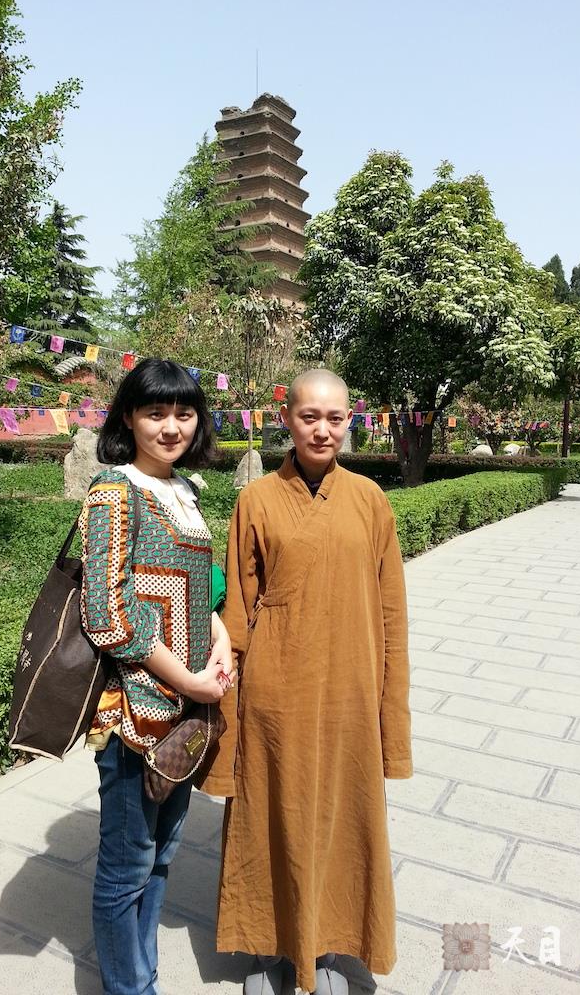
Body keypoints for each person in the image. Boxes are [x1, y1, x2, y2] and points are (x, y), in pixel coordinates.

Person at [199, 369, 412, 995]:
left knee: (344, 817)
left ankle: (332, 940)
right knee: (276, 815)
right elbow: (237, 608)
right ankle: (275, 949)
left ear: (352, 421)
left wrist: (389, 713)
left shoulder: (371, 499)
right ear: (285, 418)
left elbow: (392, 614)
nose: (323, 429)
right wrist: (226, 700)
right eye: (309, 416)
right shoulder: (257, 500)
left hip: (350, 688)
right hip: (277, 692)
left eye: (335, 418)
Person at [80, 358, 233, 995]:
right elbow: (109, 617)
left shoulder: (187, 492)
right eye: (155, 412)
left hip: (186, 715)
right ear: (128, 419)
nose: (171, 427)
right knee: (126, 868)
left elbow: (204, 591)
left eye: (184, 413)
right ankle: (130, 987)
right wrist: (190, 680)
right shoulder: (114, 493)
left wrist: (221, 640)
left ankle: (144, 978)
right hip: (136, 715)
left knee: (161, 859)